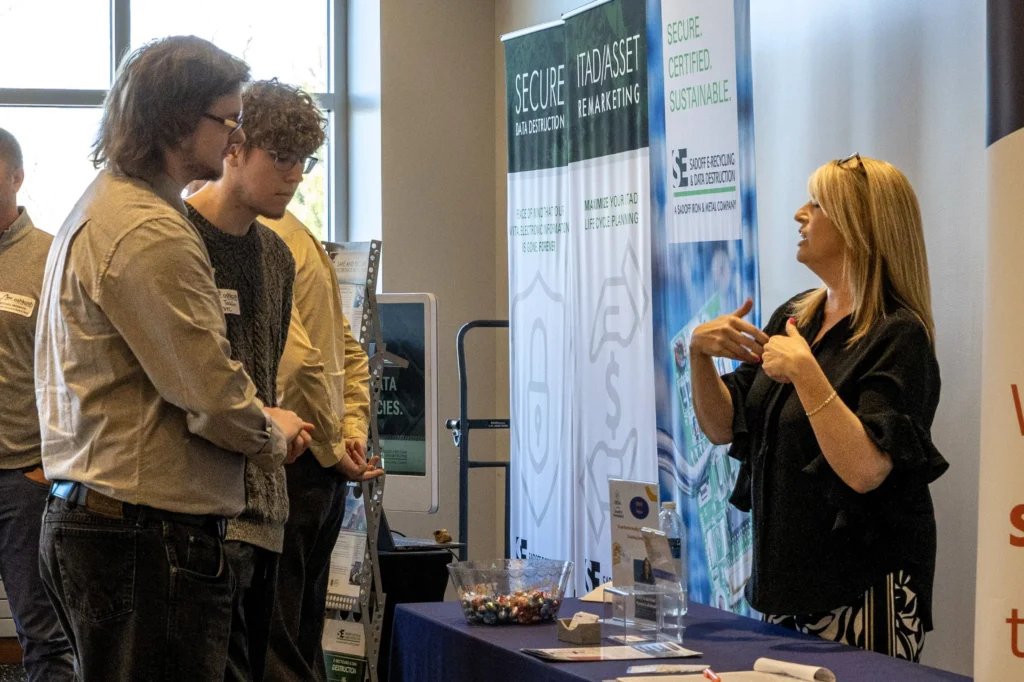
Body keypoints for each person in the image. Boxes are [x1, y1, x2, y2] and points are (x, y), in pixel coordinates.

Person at [35, 37, 311, 682]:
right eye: (228, 119)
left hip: (110, 523)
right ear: (177, 119)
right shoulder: (150, 231)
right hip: (146, 536)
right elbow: (210, 395)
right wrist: (271, 432)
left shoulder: (108, 205)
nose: (235, 135)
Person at [688, 154, 948, 662]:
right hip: (787, 586)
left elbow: (866, 470)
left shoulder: (898, 334)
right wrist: (698, 355)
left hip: (864, 589)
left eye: (818, 203)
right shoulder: (794, 316)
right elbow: (723, 426)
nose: (799, 214)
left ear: (860, 223)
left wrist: (807, 374)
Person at [185, 78, 325, 682]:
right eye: (281, 157)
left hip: (268, 510)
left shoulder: (276, 255)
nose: (294, 176)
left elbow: (264, 376)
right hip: (196, 519)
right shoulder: (176, 239)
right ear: (234, 148)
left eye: (304, 161)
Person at [261, 207, 382, 679]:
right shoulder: (297, 236)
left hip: (294, 460)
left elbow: (303, 365)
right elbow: (347, 353)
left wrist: (337, 447)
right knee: (302, 635)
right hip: (316, 465)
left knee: (279, 640)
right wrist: (347, 436)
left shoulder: (268, 240)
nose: (293, 175)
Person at [0, 129, 75, 682]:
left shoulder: (51, 258)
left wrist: (48, 468)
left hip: (22, 480)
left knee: (43, 635)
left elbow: (79, 370)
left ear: (17, 178)